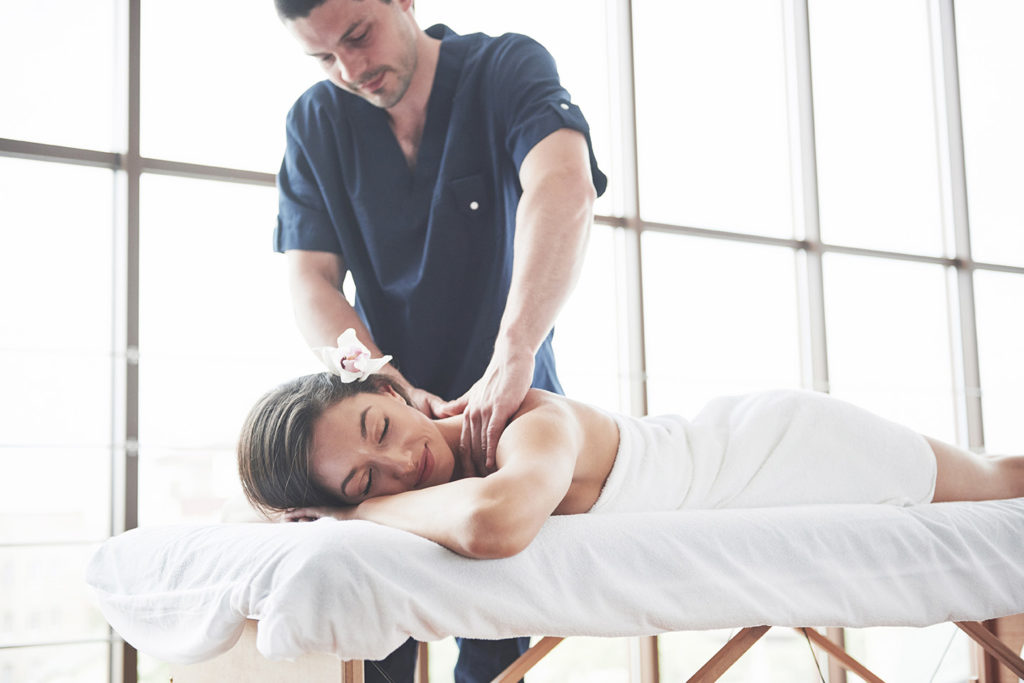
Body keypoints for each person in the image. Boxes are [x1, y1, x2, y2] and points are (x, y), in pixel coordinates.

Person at [271, 0, 605, 678]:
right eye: (324, 58)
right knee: (374, 642)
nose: (350, 68)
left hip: (505, 402)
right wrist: (373, 379)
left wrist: (513, 353)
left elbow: (563, 187)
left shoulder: (505, 68)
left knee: (494, 642)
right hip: (385, 414)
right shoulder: (317, 122)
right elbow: (311, 281)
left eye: (358, 36)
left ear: (404, 1)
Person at [238, 336, 1024, 560]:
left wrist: (363, 507)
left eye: (381, 433)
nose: (402, 465)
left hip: (781, 446)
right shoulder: (435, 476)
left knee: (995, 479)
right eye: (360, 480)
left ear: (386, 388)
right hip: (741, 463)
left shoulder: (520, 418)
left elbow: (495, 524)